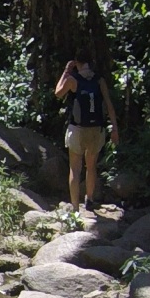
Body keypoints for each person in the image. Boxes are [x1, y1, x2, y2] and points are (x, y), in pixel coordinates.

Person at [53, 49, 120, 213]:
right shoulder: (99, 80)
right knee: (91, 166)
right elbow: (109, 106)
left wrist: (66, 71)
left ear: (77, 62)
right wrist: (115, 129)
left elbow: (58, 94)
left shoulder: (72, 80)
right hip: (96, 129)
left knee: (75, 169)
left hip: (77, 128)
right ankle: (89, 199)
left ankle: (75, 209)